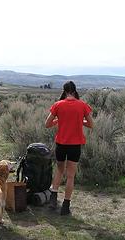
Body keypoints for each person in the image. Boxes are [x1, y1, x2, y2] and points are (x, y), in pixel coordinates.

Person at [45, 81, 93, 215]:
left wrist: (58, 120)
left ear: (64, 91)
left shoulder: (58, 105)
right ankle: (65, 206)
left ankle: (53, 199)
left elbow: (47, 124)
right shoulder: (82, 105)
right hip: (75, 145)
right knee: (71, 176)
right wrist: (80, 121)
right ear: (75, 90)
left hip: (61, 144)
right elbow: (91, 124)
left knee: (59, 171)